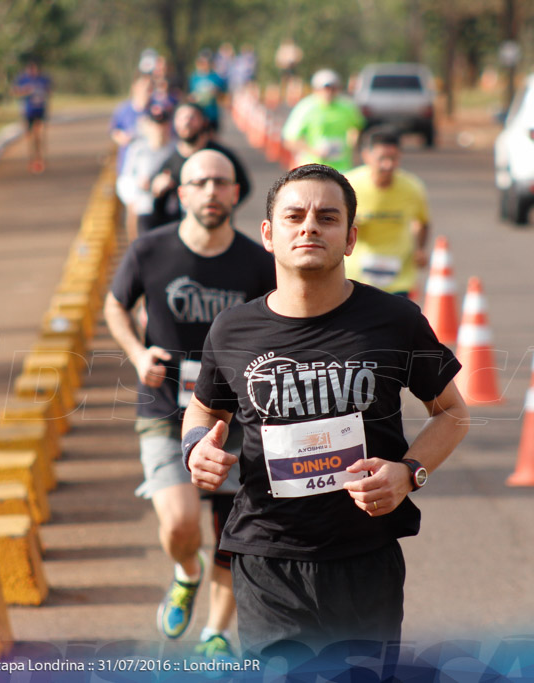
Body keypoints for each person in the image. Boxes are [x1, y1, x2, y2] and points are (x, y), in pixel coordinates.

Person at [182, 163, 469, 657]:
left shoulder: (395, 321)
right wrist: (194, 448)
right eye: (295, 216)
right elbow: (204, 411)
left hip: (365, 559)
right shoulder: (232, 330)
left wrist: (408, 473)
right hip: (266, 557)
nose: (310, 225)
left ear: (351, 238)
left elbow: (452, 412)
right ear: (269, 235)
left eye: (327, 217)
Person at [105, 150, 276, 659]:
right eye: (199, 182)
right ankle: (186, 573)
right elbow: (116, 304)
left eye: (220, 182)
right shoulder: (149, 251)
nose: (210, 191)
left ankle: (216, 634)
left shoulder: (257, 263)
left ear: (234, 193)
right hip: (164, 409)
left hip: (238, 419)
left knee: (232, 534)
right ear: (181, 194)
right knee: (180, 524)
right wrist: (138, 354)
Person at [344, 127, 430, 296]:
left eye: (394, 159)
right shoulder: (349, 185)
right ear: (366, 156)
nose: (388, 165)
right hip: (357, 279)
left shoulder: (412, 187)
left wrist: (420, 249)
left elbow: (422, 222)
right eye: (382, 158)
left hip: (398, 279)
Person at [147, 103, 251, 231]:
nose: (186, 122)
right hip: (182, 233)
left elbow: (245, 187)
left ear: (204, 122)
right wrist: (158, 190)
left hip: (218, 231)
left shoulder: (221, 156)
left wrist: (223, 206)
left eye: (192, 117)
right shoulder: (170, 161)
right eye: (181, 118)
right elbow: (158, 204)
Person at [281, 69, 365, 173]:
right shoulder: (305, 107)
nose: (328, 92)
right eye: (325, 88)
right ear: (316, 89)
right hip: (313, 167)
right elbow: (290, 140)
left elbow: (358, 127)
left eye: (332, 88)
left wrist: (352, 145)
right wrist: (313, 151)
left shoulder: (347, 106)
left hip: (342, 168)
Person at [116, 106, 176, 241]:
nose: (159, 128)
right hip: (144, 207)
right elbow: (125, 179)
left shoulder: (175, 149)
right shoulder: (137, 149)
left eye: (163, 123)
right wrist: (136, 191)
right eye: (155, 124)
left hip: (169, 208)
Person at [12, 59, 52, 174]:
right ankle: (31, 159)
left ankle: (40, 159)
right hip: (28, 111)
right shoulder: (23, 79)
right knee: (29, 137)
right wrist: (26, 91)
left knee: (39, 135)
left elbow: (49, 92)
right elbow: (15, 91)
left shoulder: (43, 79)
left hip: (40, 111)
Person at [188, 51, 227, 132]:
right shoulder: (194, 77)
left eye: (207, 62)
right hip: (199, 115)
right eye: (202, 62)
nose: (204, 64)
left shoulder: (217, 78)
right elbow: (189, 96)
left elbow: (225, 98)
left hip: (212, 114)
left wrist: (217, 93)